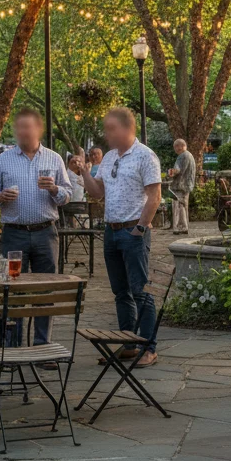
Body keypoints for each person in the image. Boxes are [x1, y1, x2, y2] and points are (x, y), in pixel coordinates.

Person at [81, 107, 163, 366]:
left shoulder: (145, 156)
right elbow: (97, 192)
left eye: (111, 129)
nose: (106, 134)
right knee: (121, 292)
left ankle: (149, 347)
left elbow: (155, 196)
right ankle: (129, 344)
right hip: (111, 231)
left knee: (140, 291)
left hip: (132, 231)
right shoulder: (108, 158)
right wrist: (84, 172)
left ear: (127, 128)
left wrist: (141, 227)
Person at [0, 108, 70, 345]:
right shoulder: (3, 159)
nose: (22, 131)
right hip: (14, 234)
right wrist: (0, 196)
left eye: (27, 127)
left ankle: (42, 344)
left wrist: (54, 189)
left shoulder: (54, 158)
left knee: (45, 289)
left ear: (38, 129)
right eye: (19, 127)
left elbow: (67, 195)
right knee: (12, 289)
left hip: (45, 233)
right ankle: (12, 347)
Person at [168, 139, 197, 235]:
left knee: (177, 207)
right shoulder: (190, 155)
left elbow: (177, 170)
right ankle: (184, 227)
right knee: (183, 206)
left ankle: (177, 227)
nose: (174, 149)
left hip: (179, 186)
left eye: (175, 147)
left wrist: (170, 172)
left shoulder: (181, 156)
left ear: (178, 146)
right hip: (187, 185)